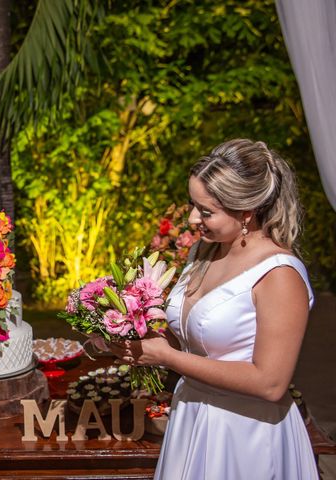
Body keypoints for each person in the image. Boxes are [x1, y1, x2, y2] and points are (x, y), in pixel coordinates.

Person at [110, 139, 319, 479]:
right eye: (193, 205)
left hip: (246, 435)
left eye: (206, 212)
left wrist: (167, 358)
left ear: (247, 212)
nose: (193, 219)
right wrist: (128, 331)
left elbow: (271, 383)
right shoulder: (204, 253)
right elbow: (197, 341)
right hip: (191, 414)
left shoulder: (279, 274)